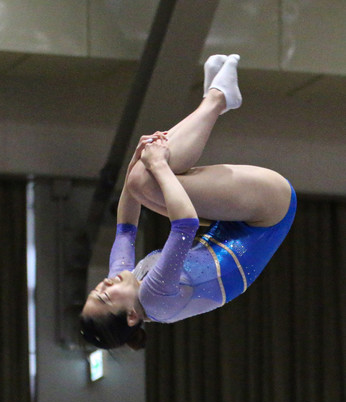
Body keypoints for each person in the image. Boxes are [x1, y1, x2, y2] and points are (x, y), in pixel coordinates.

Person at [80, 54, 297, 350]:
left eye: (95, 290)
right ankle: (217, 99)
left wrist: (138, 155)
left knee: (139, 182)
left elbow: (126, 228)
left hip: (232, 222)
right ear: (132, 316)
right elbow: (185, 225)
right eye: (104, 296)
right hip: (268, 211)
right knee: (148, 179)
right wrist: (155, 164)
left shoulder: (124, 283)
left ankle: (215, 99)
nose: (104, 284)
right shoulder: (156, 299)